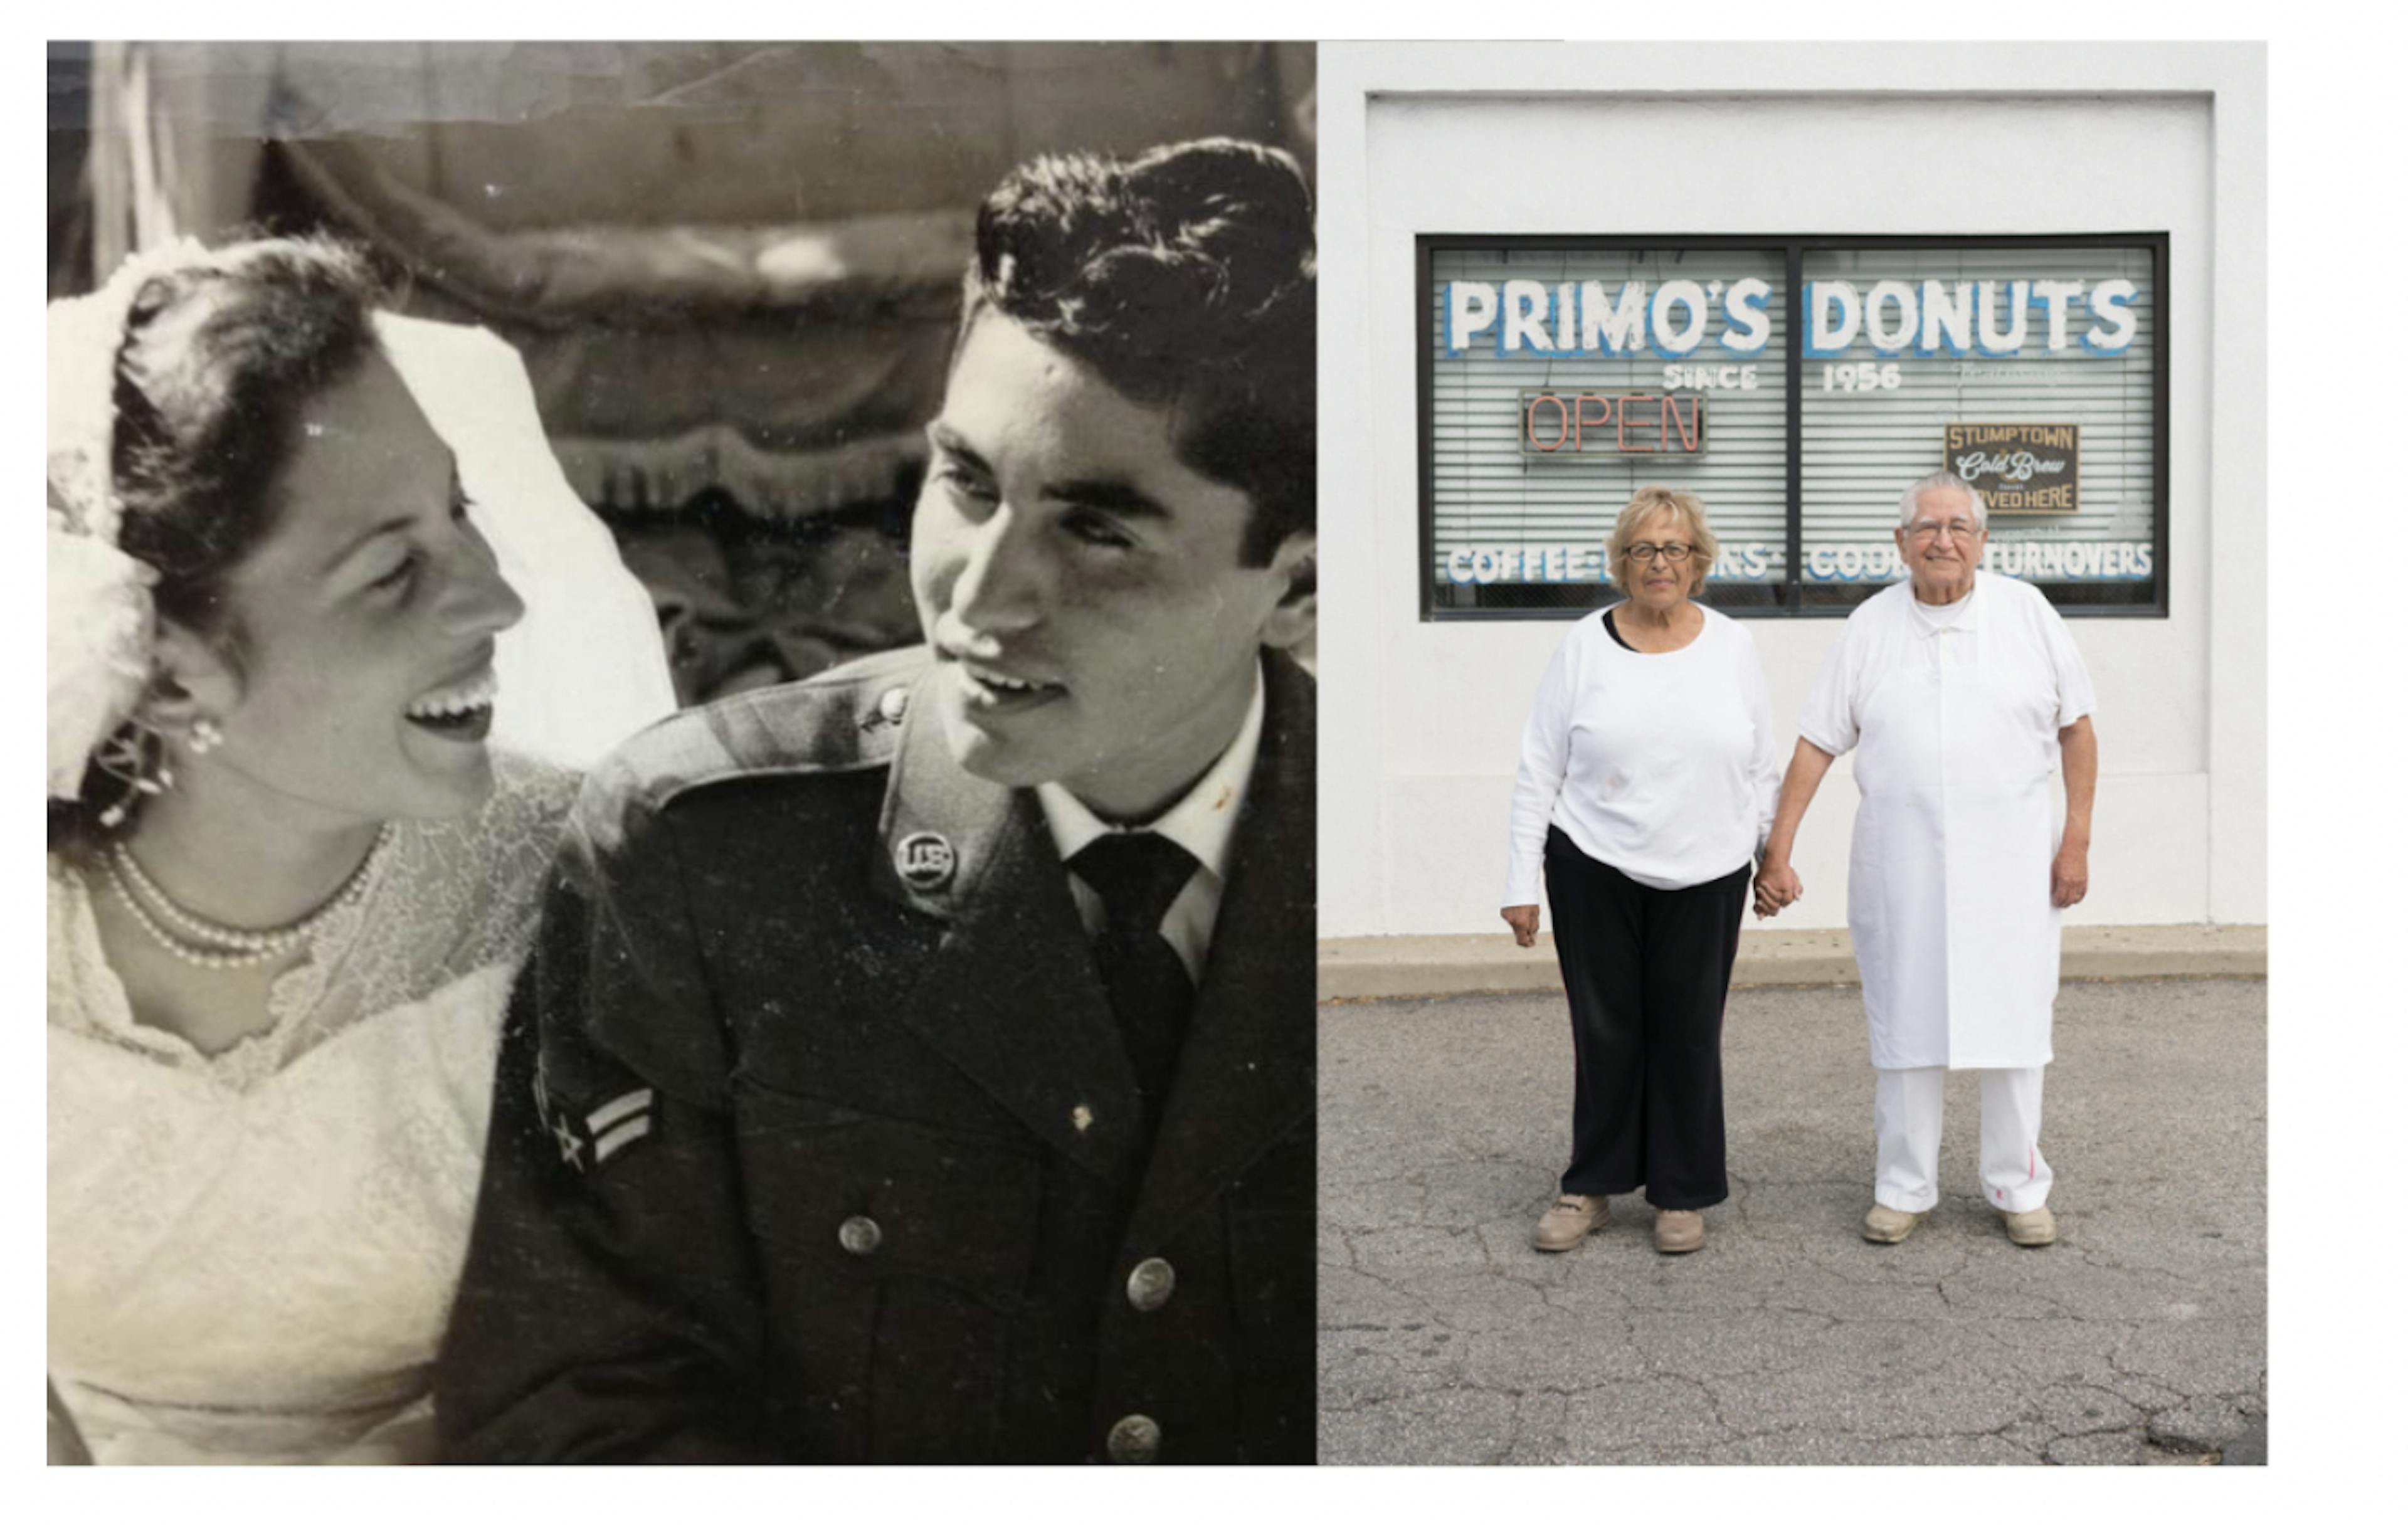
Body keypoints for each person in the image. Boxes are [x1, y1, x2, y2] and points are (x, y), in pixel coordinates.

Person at [435, 137, 1319, 1465]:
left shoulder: (1419, 868)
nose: (978, 594)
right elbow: (575, 1419)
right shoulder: (703, 857)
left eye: (1097, 530)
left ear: (1299, 588)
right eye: (967, 482)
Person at [45, 236, 674, 1465]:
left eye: (461, 511)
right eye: (394, 571)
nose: (497, 601)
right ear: (170, 672)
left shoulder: (590, 886)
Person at [1753, 470, 2097, 1249]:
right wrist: (1779, 847)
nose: (1943, 540)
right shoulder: (1870, 625)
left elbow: (2077, 730)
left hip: (2014, 865)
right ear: (1900, 542)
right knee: (1907, 1017)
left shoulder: (2028, 614)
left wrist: (2075, 839)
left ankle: (2019, 1184)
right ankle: (1903, 1185)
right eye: (1927, 527)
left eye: (1959, 527)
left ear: (1983, 541)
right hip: (1901, 862)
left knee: (2014, 1020)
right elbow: (1816, 742)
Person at [1500, 488, 1779, 1256]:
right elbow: (1538, 767)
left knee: (1689, 1033)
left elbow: (1759, 765)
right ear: (1622, 562)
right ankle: (1589, 1184)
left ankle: (1681, 1193)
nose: (1662, 563)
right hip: (1593, 860)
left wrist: (1772, 856)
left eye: (1676, 549)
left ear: (1700, 562)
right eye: (1645, 550)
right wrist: (1521, 882)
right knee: (1605, 1028)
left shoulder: (1732, 645)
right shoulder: (1583, 645)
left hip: (1710, 865)